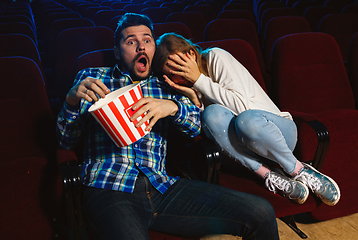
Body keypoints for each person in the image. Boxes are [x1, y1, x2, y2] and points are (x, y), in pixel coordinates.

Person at [56, 13, 280, 240]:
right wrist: (71, 101)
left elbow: (195, 128)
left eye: (147, 40)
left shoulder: (166, 84)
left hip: (162, 186)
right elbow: (65, 141)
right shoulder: (93, 78)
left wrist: (173, 107)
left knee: (261, 212)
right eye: (131, 41)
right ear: (117, 52)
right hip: (109, 187)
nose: (141, 47)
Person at [153, 32, 341, 206]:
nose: (177, 78)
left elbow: (242, 108)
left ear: (191, 54)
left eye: (179, 68)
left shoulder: (215, 57)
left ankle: (299, 170)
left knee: (246, 120)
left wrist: (199, 80)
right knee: (211, 115)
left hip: (276, 132)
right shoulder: (180, 87)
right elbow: (210, 131)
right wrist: (195, 98)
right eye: (170, 75)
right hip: (244, 151)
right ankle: (268, 175)